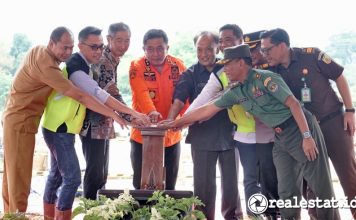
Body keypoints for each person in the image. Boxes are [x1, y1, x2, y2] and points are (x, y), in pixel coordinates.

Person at [163, 44, 340, 220]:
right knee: (286, 189)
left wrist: (307, 136)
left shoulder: (265, 79)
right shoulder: (236, 90)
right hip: (280, 137)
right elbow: (207, 109)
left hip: (300, 130)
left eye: (228, 64)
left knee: (320, 185)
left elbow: (293, 104)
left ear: (241, 62)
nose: (224, 69)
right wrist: (177, 122)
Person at [1, 26, 132, 214]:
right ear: (51, 43)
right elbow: (82, 96)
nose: (68, 52)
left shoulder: (44, 55)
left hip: (22, 121)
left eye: (71, 48)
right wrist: (115, 114)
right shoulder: (49, 65)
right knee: (21, 178)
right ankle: (16, 216)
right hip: (22, 122)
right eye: (64, 47)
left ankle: (11, 215)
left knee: (16, 176)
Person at [41, 26, 149, 219]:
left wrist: (117, 115)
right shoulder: (76, 67)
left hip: (62, 127)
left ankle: (50, 216)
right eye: (94, 47)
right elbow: (97, 95)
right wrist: (126, 114)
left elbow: (93, 98)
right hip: (59, 128)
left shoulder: (87, 64)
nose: (99, 51)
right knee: (73, 178)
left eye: (100, 47)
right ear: (80, 46)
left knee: (57, 175)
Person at [260, 28, 356, 218]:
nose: (264, 54)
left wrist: (350, 110)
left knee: (350, 177)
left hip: (333, 124)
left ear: (282, 45)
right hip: (304, 134)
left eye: (267, 49)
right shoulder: (269, 71)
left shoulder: (311, 56)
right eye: (262, 51)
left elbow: (339, 76)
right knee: (312, 186)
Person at [164, 31, 242, 219]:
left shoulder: (227, 69)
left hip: (230, 135)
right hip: (202, 137)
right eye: (199, 49)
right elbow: (178, 100)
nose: (204, 53)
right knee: (203, 187)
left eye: (209, 49)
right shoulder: (189, 73)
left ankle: (233, 216)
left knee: (231, 185)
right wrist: (171, 122)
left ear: (218, 48)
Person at [186, 24, 261, 217]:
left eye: (228, 40)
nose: (223, 45)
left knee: (239, 184)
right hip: (208, 137)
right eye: (221, 41)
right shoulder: (206, 73)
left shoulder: (253, 66)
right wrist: (178, 122)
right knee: (204, 188)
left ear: (241, 41)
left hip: (239, 135)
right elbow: (197, 102)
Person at [79, 22, 132, 200]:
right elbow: (111, 92)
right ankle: (91, 211)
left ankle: (99, 211)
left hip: (104, 123)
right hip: (93, 124)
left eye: (127, 41)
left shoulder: (112, 59)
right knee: (95, 173)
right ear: (109, 39)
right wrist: (132, 116)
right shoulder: (104, 60)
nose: (123, 45)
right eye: (119, 40)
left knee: (101, 173)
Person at [129, 29, 186, 190]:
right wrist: (151, 111)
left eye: (160, 48)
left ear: (167, 47)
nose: (155, 53)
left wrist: (185, 119)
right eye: (150, 49)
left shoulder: (178, 65)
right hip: (143, 136)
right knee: (142, 184)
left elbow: (186, 95)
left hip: (171, 136)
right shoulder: (137, 66)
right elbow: (141, 92)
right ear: (143, 49)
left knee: (169, 185)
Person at [243, 30, 279, 219]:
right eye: (249, 51)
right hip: (260, 135)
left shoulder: (274, 69)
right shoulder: (247, 74)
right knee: (265, 176)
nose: (253, 55)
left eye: (256, 49)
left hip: (281, 133)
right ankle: (271, 214)